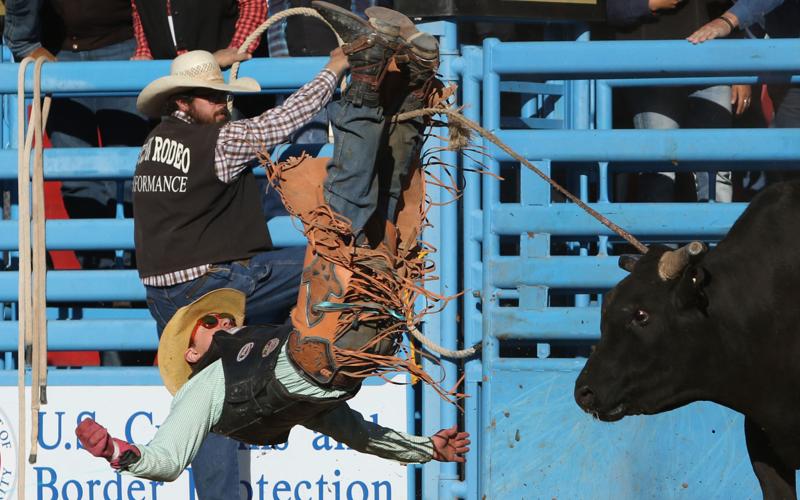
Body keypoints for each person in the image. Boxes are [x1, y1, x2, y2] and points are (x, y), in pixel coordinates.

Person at [74, 288, 470, 481]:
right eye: (208, 324)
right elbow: (169, 459)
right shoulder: (205, 384)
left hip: (325, 368)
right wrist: (115, 450)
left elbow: (360, 434)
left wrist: (426, 448)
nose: (223, 323)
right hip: (319, 362)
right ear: (191, 355)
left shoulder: (274, 357)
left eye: (224, 319)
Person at [3, 0, 151, 270]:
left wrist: (147, 44)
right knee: (79, 180)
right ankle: (100, 273)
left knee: (134, 174)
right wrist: (27, 44)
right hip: (57, 53)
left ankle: (136, 275)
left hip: (123, 47)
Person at [604, 0, 752, 202]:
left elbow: (731, 10)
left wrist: (740, 71)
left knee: (716, 172)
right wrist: (651, 4)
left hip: (711, 70)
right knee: (658, 173)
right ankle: (658, 233)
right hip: (652, 74)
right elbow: (612, 11)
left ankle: (714, 233)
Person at [130, 0, 266, 69]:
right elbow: (139, 10)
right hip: (168, 77)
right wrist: (144, 50)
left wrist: (237, 47)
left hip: (224, 74)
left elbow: (252, 4)